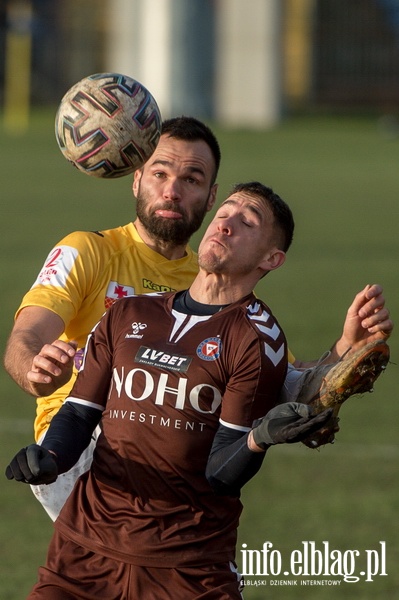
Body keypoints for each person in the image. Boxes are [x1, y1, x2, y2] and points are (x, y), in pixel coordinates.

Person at [3, 117, 393, 521]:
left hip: (174, 459)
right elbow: (25, 338)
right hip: (79, 451)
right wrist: (34, 369)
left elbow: (279, 378)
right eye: (160, 173)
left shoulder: (214, 279)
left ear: (210, 198)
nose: (172, 191)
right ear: (136, 179)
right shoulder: (88, 251)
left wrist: (346, 348)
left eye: (191, 179)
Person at [6, 182, 334, 599]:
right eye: (225, 213)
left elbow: (220, 472)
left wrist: (258, 440)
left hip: (185, 568)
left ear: (272, 258)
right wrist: (48, 458)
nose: (226, 224)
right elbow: (77, 414)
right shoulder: (127, 313)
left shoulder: (255, 338)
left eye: (247, 222)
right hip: (82, 555)